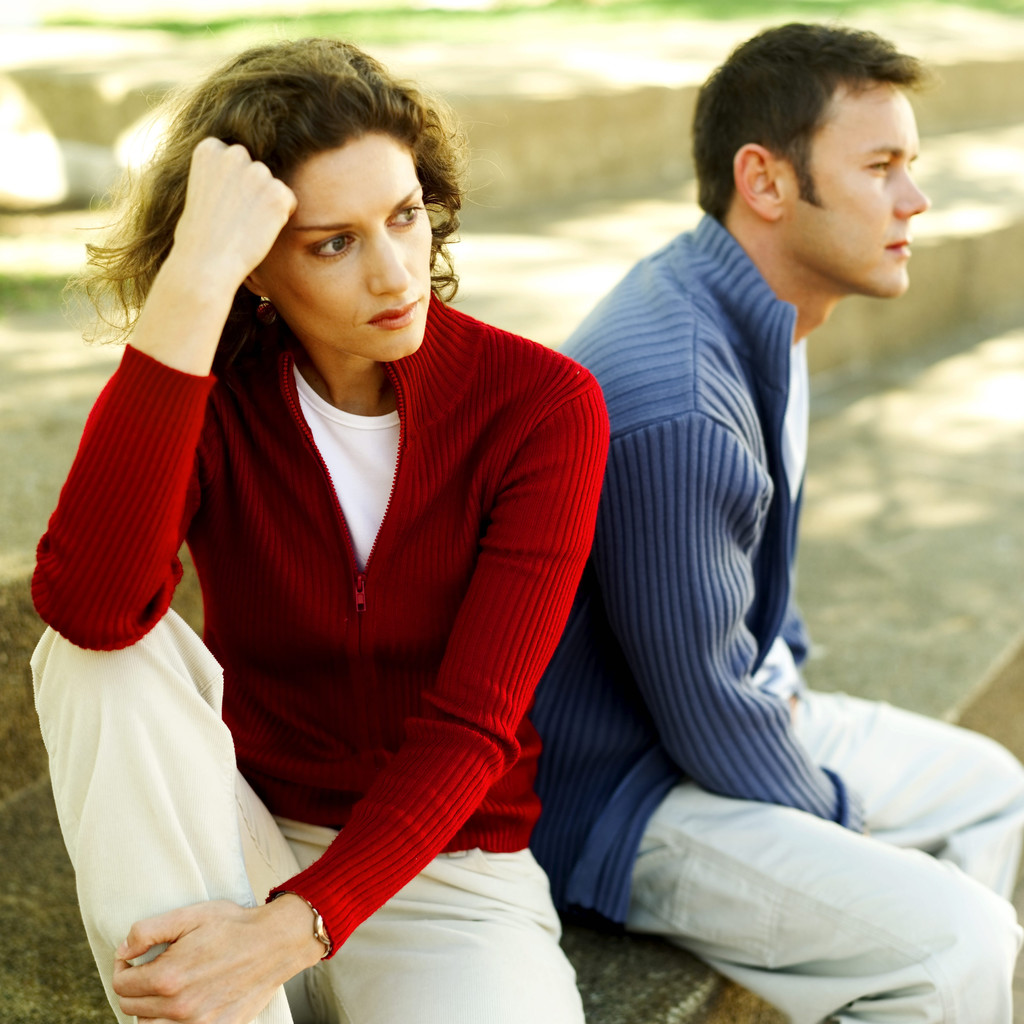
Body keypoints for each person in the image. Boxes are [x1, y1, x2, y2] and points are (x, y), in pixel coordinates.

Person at [30, 38, 608, 1024]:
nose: (394, 275)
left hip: (443, 876)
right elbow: (87, 604)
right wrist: (194, 281)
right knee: (91, 659)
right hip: (237, 838)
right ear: (257, 267)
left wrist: (298, 926)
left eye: (403, 217)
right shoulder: (213, 395)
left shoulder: (539, 406)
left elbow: (473, 725)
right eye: (333, 243)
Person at [530, 22, 1024, 1024]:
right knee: (951, 949)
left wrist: (790, 690)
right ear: (764, 181)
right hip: (630, 793)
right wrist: (843, 820)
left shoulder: (755, 307)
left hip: (730, 712)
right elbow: (705, 713)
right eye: (880, 167)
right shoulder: (681, 405)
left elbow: (746, 614)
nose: (915, 200)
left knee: (993, 788)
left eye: (910, 165)